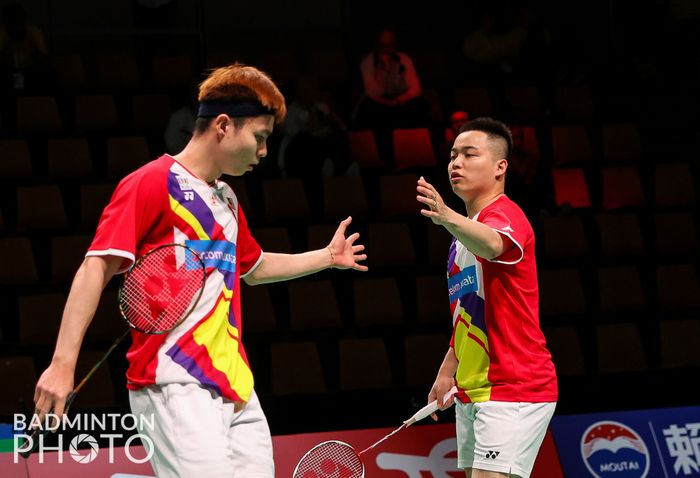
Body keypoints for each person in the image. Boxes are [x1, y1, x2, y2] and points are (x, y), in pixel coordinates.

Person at [32, 63, 369, 477]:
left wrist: (326, 257)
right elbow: (95, 269)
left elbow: (255, 267)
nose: (264, 152)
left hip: (236, 384)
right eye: (259, 138)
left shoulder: (226, 199)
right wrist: (63, 364)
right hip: (176, 380)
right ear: (224, 125)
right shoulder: (152, 182)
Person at [416, 117, 557, 478]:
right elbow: (469, 311)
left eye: (468, 154)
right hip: (475, 388)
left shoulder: (506, 215)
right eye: (452, 156)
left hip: (516, 385)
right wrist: (449, 368)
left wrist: (446, 216)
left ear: (500, 166)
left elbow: (495, 244)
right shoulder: (460, 239)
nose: (455, 163)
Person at [352, 28, 428, 129]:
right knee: (370, 111)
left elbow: (416, 88)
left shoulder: (404, 60)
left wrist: (398, 100)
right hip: (378, 103)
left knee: (420, 106)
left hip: (401, 101)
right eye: (383, 45)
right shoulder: (368, 62)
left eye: (390, 45)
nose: (386, 49)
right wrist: (382, 71)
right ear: (377, 45)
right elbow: (372, 91)